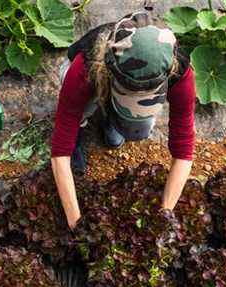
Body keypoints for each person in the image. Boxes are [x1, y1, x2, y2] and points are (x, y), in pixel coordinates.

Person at [50, 11, 196, 229]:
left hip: (111, 84)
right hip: (91, 77)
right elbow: (60, 151)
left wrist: (164, 215)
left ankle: (114, 119)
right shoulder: (85, 67)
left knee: (137, 130)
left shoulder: (179, 71)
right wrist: (76, 224)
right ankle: (87, 123)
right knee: (79, 111)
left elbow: (184, 150)